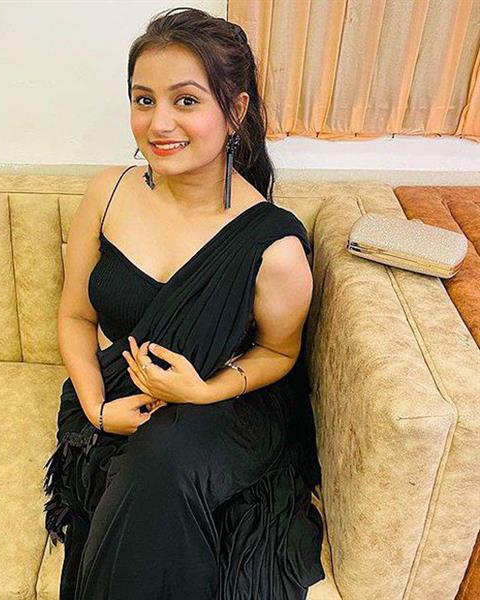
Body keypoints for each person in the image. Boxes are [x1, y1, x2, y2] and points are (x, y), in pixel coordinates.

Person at [43, 7, 325, 600]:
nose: (159, 123)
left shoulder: (274, 246)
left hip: (227, 404)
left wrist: (202, 392)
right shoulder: (108, 192)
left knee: (161, 461)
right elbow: (74, 315)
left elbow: (280, 354)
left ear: (236, 111)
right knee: (147, 464)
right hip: (119, 393)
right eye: (143, 100)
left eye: (186, 100)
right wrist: (97, 409)